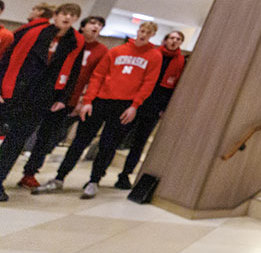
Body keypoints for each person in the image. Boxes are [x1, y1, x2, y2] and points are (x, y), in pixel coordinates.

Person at [34, 21, 161, 199]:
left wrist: (135, 106)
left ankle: (94, 180)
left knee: (108, 145)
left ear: (152, 35)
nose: (143, 34)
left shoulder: (154, 56)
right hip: (100, 101)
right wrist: (88, 100)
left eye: (148, 32)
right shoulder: (117, 51)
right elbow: (98, 75)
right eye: (142, 30)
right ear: (137, 31)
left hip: (124, 106)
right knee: (80, 141)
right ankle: (60, 177)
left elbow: (149, 83)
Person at [0, 3, 84, 203]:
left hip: (41, 98)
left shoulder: (75, 42)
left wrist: (62, 99)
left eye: (72, 15)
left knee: (16, 141)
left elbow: (73, 73)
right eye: (64, 13)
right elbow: (6, 59)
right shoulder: (34, 32)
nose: (67, 18)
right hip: (14, 91)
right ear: (55, 15)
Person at [16, 16, 108, 188]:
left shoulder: (102, 51)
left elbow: (95, 78)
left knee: (47, 138)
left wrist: (82, 100)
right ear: (83, 26)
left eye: (100, 25)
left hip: (69, 100)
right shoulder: (71, 41)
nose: (96, 27)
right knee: (22, 131)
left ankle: (30, 173)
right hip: (45, 93)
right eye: (92, 23)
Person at [116, 30, 185, 189]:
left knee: (139, 143)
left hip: (155, 106)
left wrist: (164, 108)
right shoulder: (152, 54)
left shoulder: (181, 62)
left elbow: (174, 88)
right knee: (119, 135)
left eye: (178, 39)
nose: (174, 41)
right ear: (165, 40)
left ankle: (125, 175)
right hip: (137, 102)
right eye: (172, 38)